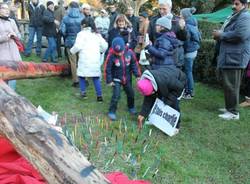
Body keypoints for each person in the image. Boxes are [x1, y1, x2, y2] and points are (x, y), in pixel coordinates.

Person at [212, 0, 250, 120]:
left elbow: (240, 35)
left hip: (236, 57)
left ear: (244, 5)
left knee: (232, 85)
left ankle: (233, 113)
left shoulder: (245, 16)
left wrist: (221, 35)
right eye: (233, 3)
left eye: (237, 4)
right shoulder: (236, 15)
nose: (233, 6)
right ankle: (230, 108)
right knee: (229, 84)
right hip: (231, 55)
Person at [136, 66, 186, 132]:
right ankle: (154, 119)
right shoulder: (148, 82)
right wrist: (142, 114)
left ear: (153, 89)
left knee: (174, 104)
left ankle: (176, 126)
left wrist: (169, 101)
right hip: (164, 80)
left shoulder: (166, 80)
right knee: (155, 100)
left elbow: (179, 87)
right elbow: (148, 100)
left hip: (179, 81)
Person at [70, 17, 108, 102]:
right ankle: (99, 96)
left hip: (84, 59)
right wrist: (101, 51)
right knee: (95, 77)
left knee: (82, 76)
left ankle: (83, 94)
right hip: (95, 59)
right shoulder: (97, 34)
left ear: (83, 25)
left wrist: (71, 51)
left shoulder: (81, 34)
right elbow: (105, 45)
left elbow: (77, 46)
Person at [104, 37, 141, 121]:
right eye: (117, 52)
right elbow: (107, 69)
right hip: (116, 79)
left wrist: (138, 75)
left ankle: (131, 107)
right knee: (116, 95)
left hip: (127, 78)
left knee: (131, 93)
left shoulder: (130, 53)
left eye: (121, 52)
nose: (119, 54)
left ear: (124, 47)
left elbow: (134, 65)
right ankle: (112, 111)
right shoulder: (111, 55)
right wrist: (109, 81)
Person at [148, 0, 187, 67]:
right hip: (158, 57)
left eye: (164, 9)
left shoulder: (177, 20)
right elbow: (150, 37)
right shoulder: (153, 20)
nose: (161, 11)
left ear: (170, 7)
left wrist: (182, 29)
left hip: (174, 57)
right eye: (160, 9)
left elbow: (184, 38)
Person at [60, 1, 84, 87]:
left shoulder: (65, 18)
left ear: (70, 7)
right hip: (81, 42)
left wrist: (67, 36)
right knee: (82, 61)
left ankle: (76, 81)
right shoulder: (82, 17)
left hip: (70, 41)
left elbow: (62, 31)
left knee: (73, 62)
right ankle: (84, 79)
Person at [180, 7, 201, 99]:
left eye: (181, 14)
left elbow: (186, 41)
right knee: (188, 71)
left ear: (184, 16)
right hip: (193, 51)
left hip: (189, 52)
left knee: (188, 72)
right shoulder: (194, 23)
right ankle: (187, 90)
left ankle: (189, 92)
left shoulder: (187, 26)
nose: (179, 16)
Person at [0, 2, 22, 90]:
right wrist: (6, 36)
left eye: (7, 9)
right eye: (4, 8)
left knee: (13, 75)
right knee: (3, 75)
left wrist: (15, 35)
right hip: (2, 53)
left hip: (13, 52)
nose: (6, 11)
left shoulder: (12, 21)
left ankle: (12, 94)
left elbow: (19, 35)